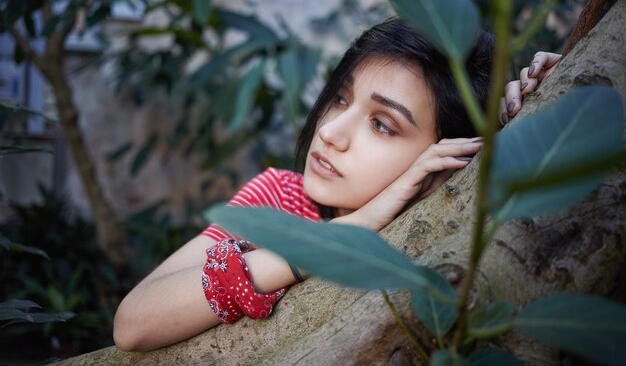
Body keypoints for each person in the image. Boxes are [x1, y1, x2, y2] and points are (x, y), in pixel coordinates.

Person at [113, 18, 561, 352]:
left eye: (383, 125)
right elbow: (134, 324)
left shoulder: (454, 232)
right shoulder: (281, 199)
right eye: (341, 98)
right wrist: (334, 240)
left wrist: (541, 110)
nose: (330, 132)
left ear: (448, 156)